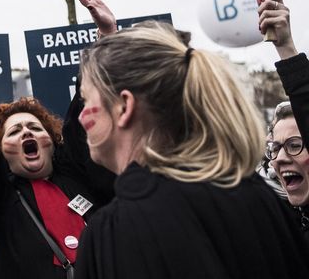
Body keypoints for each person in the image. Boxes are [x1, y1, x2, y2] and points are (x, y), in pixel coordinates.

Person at [72, 20, 309, 278]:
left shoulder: (114, 233)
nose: (81, 117)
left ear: (124, 107)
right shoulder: (256, 195)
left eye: (85, 100)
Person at [0, 0, 116, 278]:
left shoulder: (81, 174)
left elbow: (87, 109)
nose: (27, 133)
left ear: (51, 140)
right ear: (0, 152)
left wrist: (107, 37)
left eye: (35, 127)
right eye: (14, 132)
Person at [260, 0, 309, 237]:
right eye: (274, 148)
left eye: (295, 145)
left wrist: (286, 47)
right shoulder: (280, 232)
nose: (278, 159)